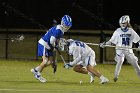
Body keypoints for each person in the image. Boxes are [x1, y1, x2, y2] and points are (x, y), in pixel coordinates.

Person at [30, 15, 72, 83]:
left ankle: (36, 70)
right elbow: (52, 41)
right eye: (66, 25)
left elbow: (56, 41)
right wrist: (56, 46)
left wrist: (57, 45)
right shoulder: (59, 29)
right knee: (45, 61)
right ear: (62, 23)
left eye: (68, 26)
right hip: (44, 44)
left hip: (49, 46)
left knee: (50, 62)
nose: (67, 27)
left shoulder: (61, 30)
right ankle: (37, 74)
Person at [100, 15, 140, 82]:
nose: (122, 25)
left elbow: (139, 40)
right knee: (120, 61)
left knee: (135, 64)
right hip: (119, 49)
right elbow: (111, 41)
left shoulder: (131, 31)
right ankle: (116, 76)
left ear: (127, 22)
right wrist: (104, 44)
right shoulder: (117, 31)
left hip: (128, 50)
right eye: (121, 23)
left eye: (124, 23)